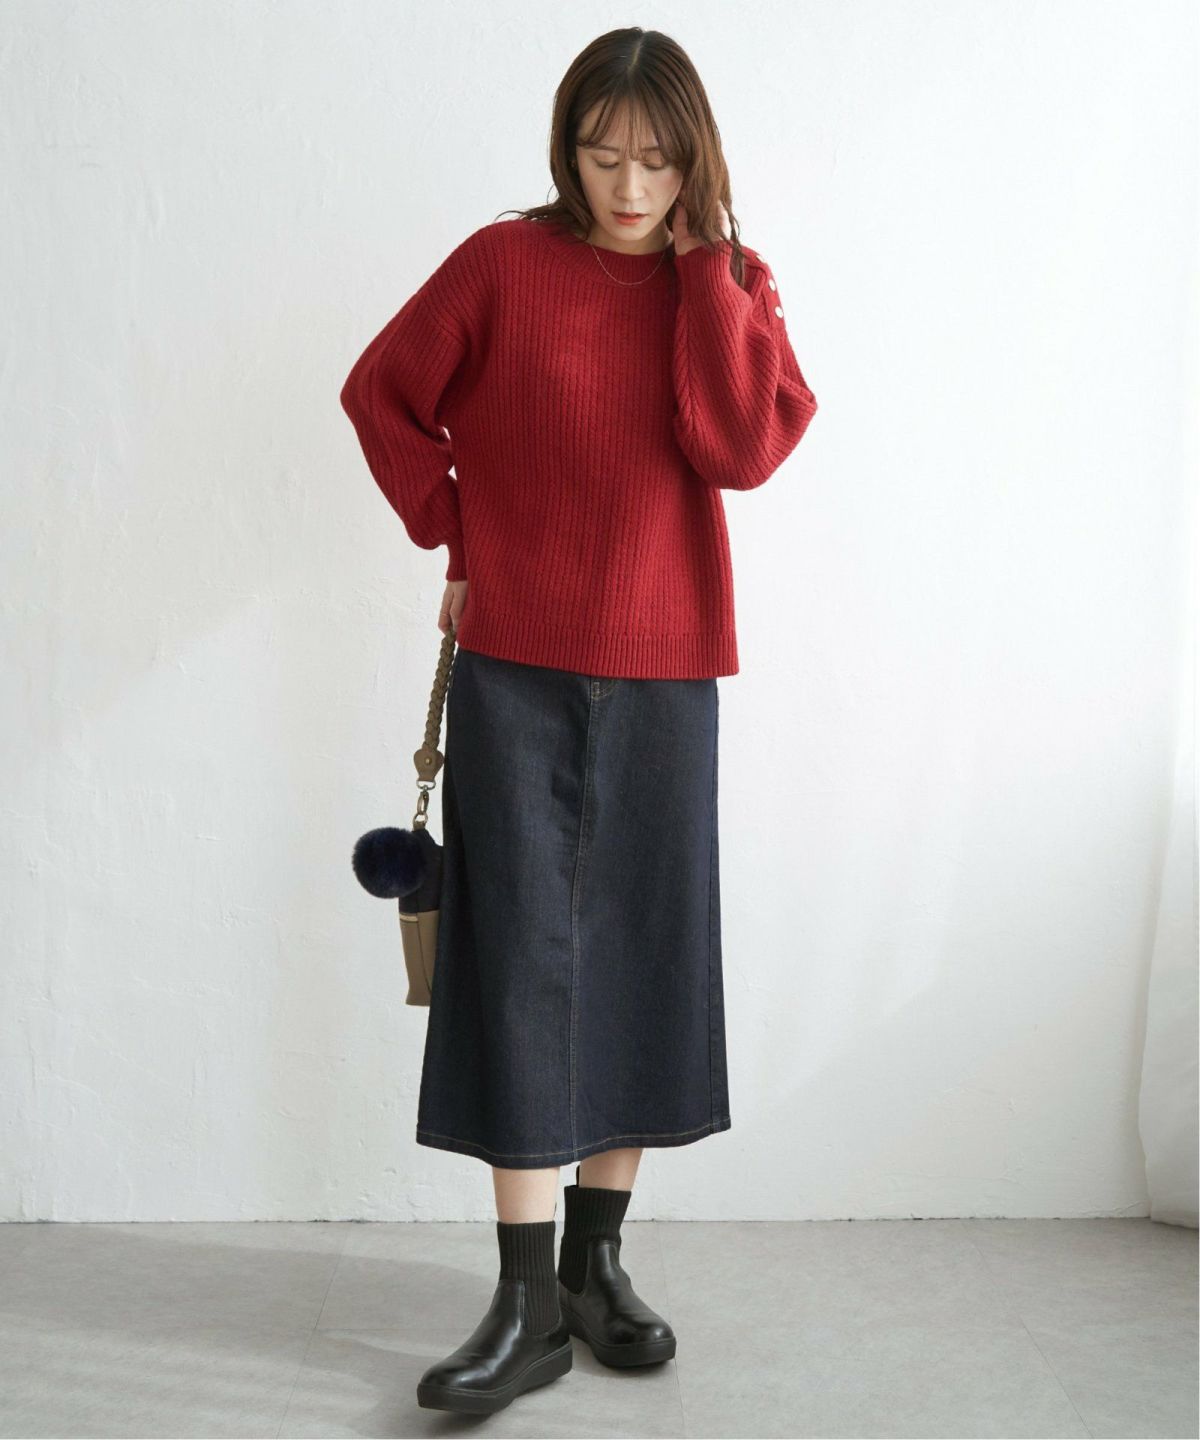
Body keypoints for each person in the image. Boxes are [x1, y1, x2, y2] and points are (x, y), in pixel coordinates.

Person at [339, 24, 818, 1416]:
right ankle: (526, 1298)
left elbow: (742, 449)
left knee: (644, 952)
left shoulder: (730, 284)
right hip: (516, 665)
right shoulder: (502, 266)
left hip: (668, 669)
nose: (629, 187)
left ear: (694, 160)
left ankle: (599, 1267)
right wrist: (456, 528)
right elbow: (381, 395)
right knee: (516, 961)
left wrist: (709, 277)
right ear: (567, 150)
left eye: (657, 161)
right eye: (603, 157)